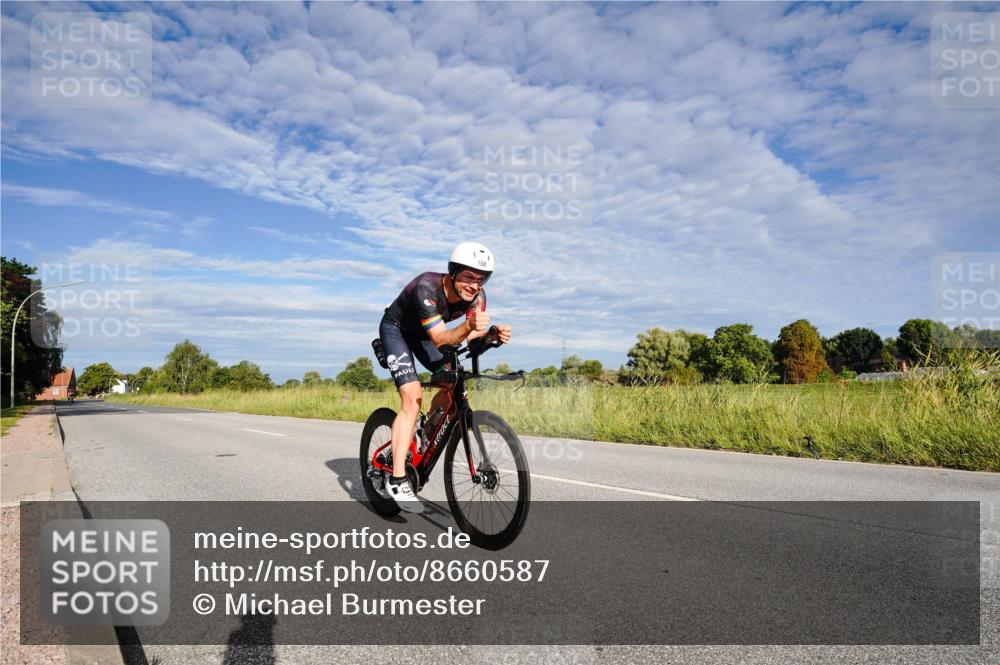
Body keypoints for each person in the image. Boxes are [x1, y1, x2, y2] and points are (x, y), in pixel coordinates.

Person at [378, 242, 512, 512]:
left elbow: (470, 336)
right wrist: (466, 326)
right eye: (469, 277)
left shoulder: (478, 297)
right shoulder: (426, 287)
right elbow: (441, 338)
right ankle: (398, 477)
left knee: (453, 383)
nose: (475, 285)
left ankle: (426, 436)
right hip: (398, 332)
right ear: (453, 273)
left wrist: (489, 335)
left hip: (428, 336)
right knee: (412, 399)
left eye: (481, 279)